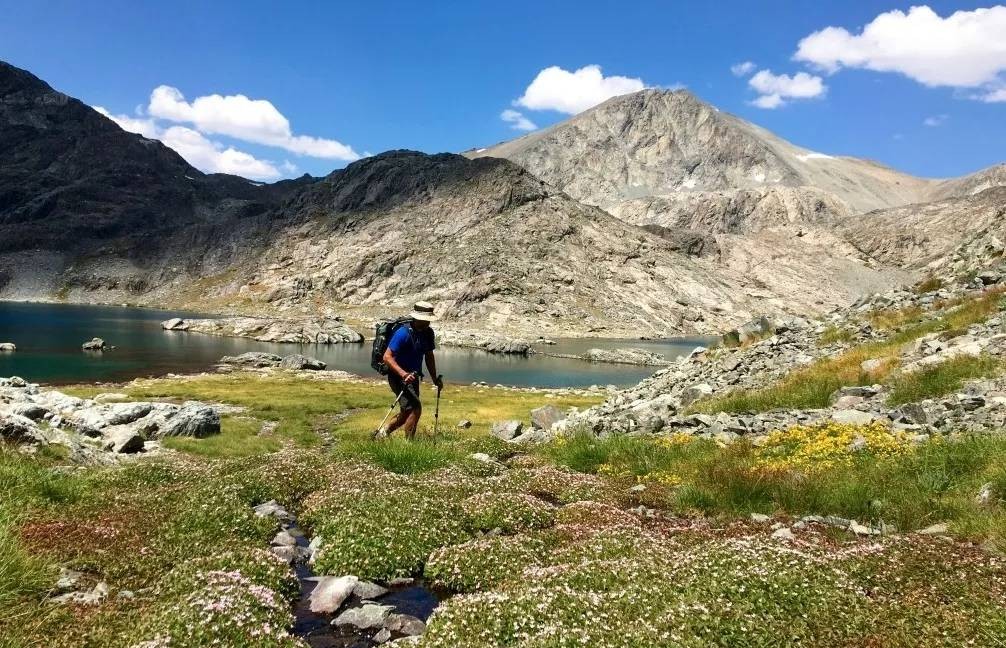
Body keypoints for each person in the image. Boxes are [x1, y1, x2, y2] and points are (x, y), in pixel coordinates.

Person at [376, 301, 443, 439]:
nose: (427, 323)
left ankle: (384, 433)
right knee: (414, 408)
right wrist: (403, 373)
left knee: (407, 411)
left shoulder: (428, 333)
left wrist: (435, 378)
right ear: (417, 318)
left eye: (428, 320)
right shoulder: (403, 333)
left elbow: (429, 356)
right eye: (425, 320)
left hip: (413, 376)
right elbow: (387, 357)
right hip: (398, 375)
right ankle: (409, 444)